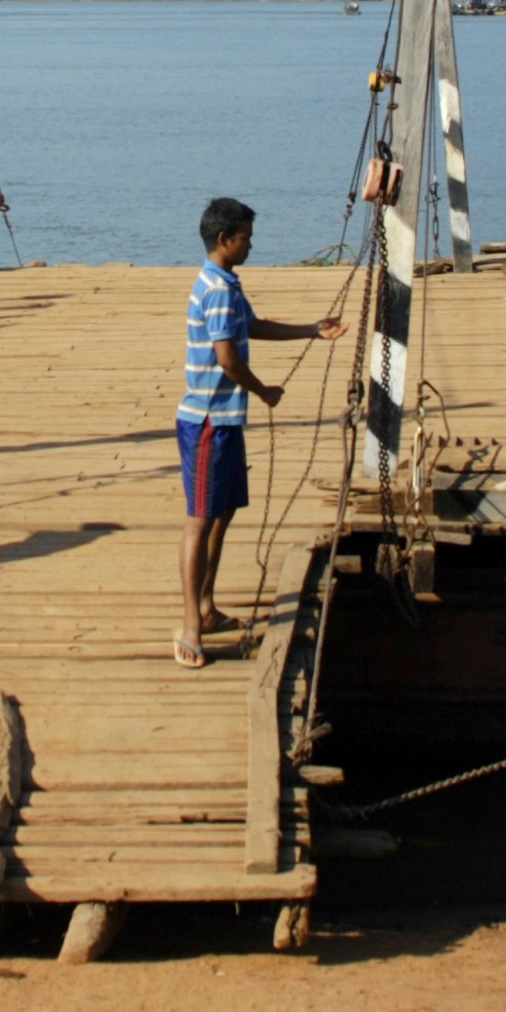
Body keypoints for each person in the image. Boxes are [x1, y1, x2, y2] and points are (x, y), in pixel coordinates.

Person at [174, 195, 345, 669]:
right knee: (199, 520)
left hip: (227, 423)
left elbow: (251, 328)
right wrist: (263, 391)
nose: (252, 245)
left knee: (222, 515)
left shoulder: (229, 283)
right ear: (224, 240)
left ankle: (207, 607)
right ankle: (190, 624)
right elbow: (227, 356)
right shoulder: (215, 288)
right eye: (246, 238)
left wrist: (311, 330)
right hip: (207, 422)